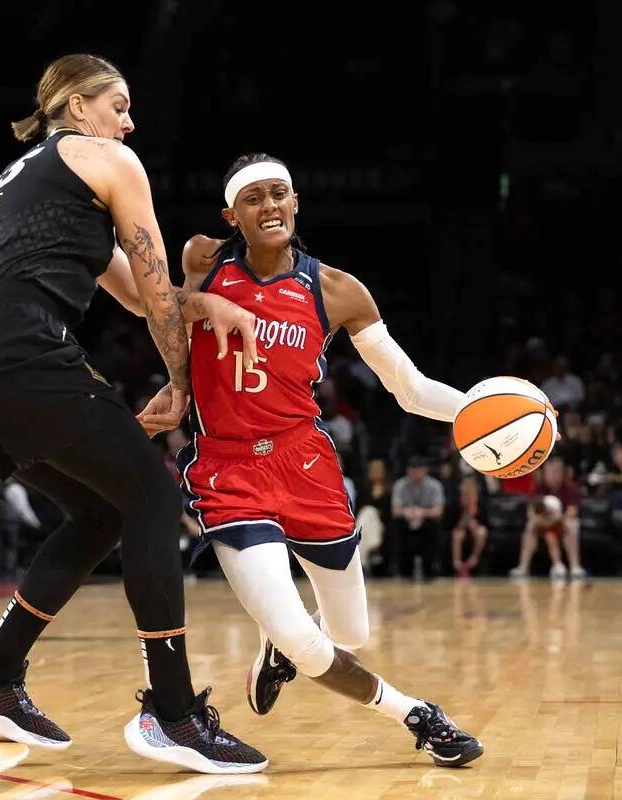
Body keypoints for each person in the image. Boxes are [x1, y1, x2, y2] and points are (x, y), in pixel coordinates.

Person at [0, 54, 266, 773]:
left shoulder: (22, 179)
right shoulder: (109, 158)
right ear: (78, 106)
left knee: (102, 513)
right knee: (151, 494)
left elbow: (149, 298)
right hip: (12, 348)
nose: (129, 120)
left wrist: (197, 300)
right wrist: (181, 380)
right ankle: (172, 713)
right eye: (118, 104)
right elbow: (155, 290)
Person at [177, 153, 483, 767]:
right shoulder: (202, 260)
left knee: (348, 634)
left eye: (278, 194)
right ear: (231, 213)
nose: (268, 206)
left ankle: (274, 650)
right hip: (228, 469)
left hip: (305, 464)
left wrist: (484, 410)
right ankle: (416, 714)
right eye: (254, 197)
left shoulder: (337, 291)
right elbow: (170, 316)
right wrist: (179, 384)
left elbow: (411, 389)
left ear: (295, 203)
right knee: (302, 636)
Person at [510, 456, 585, 579]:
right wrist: (543, 521)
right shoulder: (538, 487)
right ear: (544, 473)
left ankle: (575, 567)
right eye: (551, 472)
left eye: (558, 472)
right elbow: (531, 513)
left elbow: (572, 512)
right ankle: (523, 567)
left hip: (561, 522)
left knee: (572, 524)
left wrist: (555, 519)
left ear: (563, 473)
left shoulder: (570, 488)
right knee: (530, 525)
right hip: (542, 523)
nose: (554, 475)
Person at [389, 457, 446, 579]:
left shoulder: (435, 486)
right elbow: (395, 510)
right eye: (412, 469)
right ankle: (403, 570)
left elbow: (438, 510)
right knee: (397, 524)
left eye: (418, 469)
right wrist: (407, 512)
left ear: (425, 470)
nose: (415, 473)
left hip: (426, 520)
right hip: (407, 520)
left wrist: (421, 513)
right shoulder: (400, 485)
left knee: (435, 524)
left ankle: (431, 569)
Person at [450, 474, 489, 578]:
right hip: (461, 527)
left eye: (471, 485)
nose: (468, 487)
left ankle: (472, 561)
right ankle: (457, 565)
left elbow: (485, 518)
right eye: (465, 485)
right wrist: (462, 522)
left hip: (476, 526)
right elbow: (451, 518)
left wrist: (475, 522)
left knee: (482, 533)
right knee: (457, 535)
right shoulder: (456, 499)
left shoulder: (481, 500)